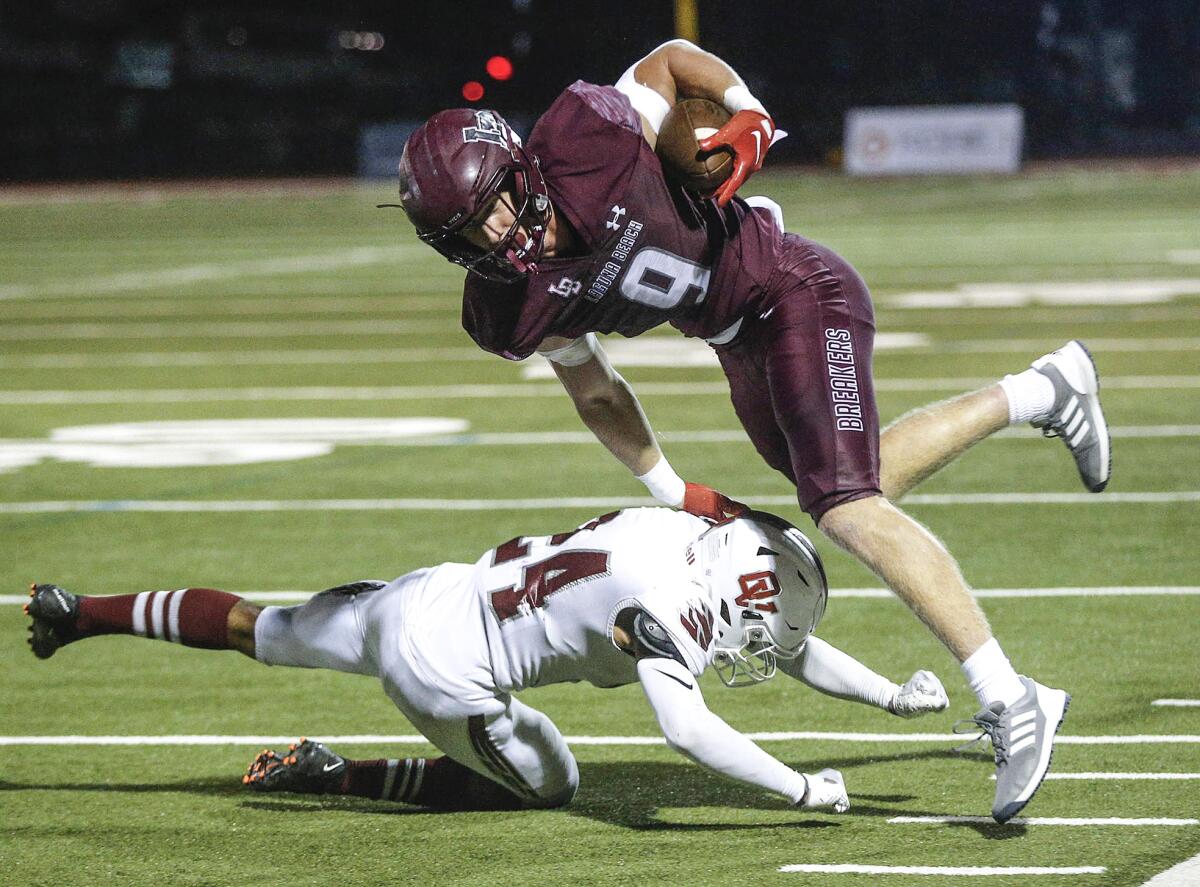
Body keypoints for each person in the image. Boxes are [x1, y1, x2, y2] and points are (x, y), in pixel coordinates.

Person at [389, 39, 1110, 822]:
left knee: (844, 504)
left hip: (795, 289)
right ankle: (1045, 388)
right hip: (737, 338)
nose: (495, 235)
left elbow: (667, 60)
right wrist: (674, 490)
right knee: (858, 481)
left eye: (494, 203)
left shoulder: (581, 136)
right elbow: (596, 392)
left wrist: (749, 113)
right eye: (466, 234)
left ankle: (1011, 694)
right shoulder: (506, 305)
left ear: (518, 167)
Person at [25, 507, 949, 812]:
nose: (764, 641)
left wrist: (891, 700)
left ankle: (82, 612)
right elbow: (690, 729)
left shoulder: (682, 539)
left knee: (259, 631)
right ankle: (335, 772)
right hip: (442, 667)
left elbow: (780, 645)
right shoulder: (662, 610)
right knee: (551, 780)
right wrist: (801, 791)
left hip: (424, 593)